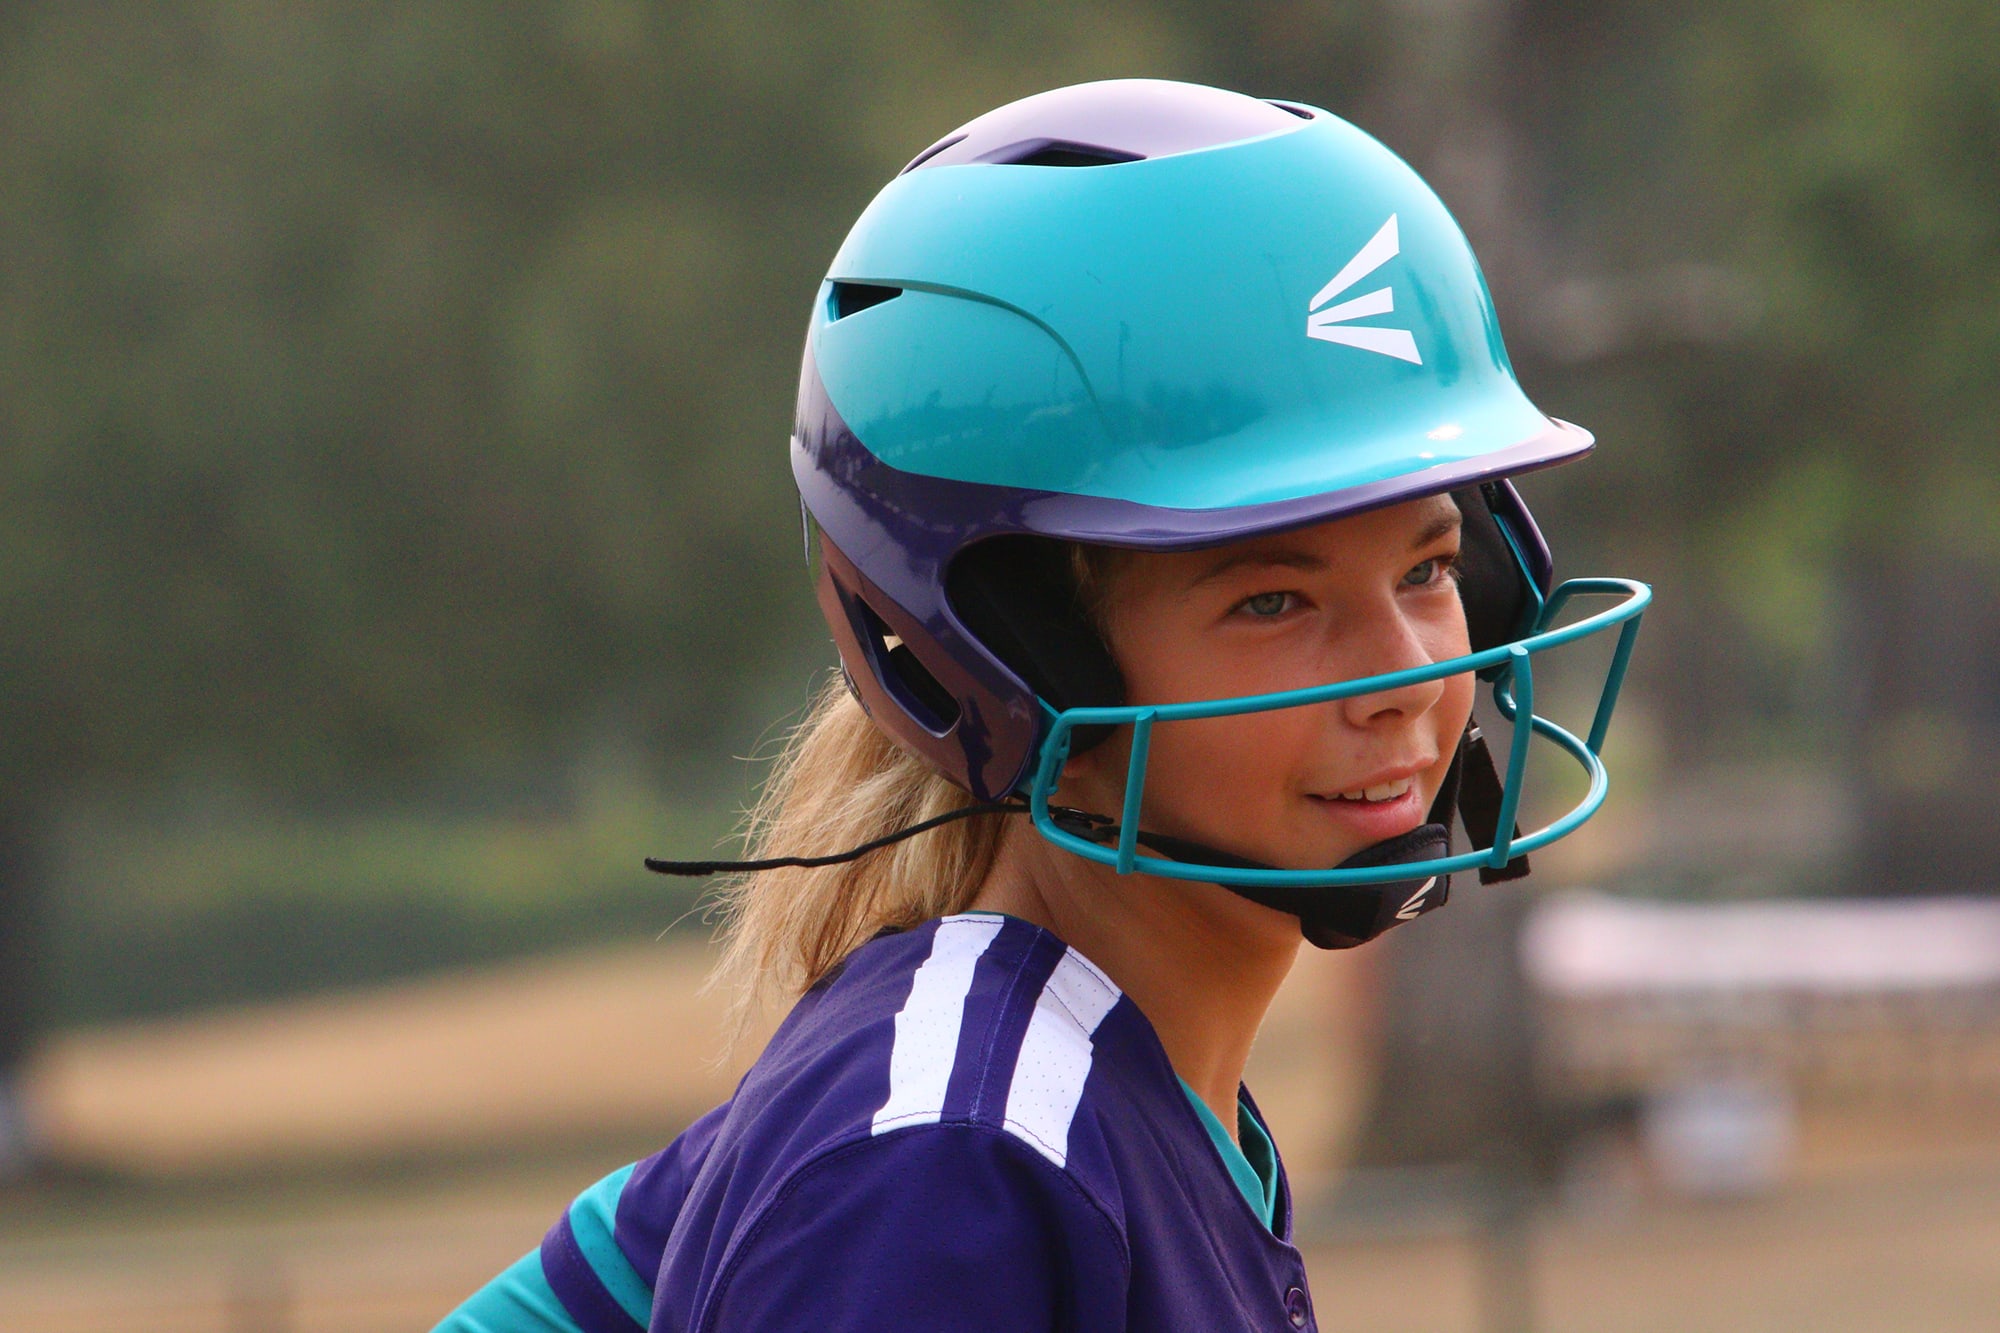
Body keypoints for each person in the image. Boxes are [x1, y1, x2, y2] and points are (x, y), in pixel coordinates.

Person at [435, 78, 1646, 1333]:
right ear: (1010, 665)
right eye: (1272, 602)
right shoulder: (950, 1159)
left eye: (1429, 569)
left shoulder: (1054, 1094)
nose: (1402, 679)